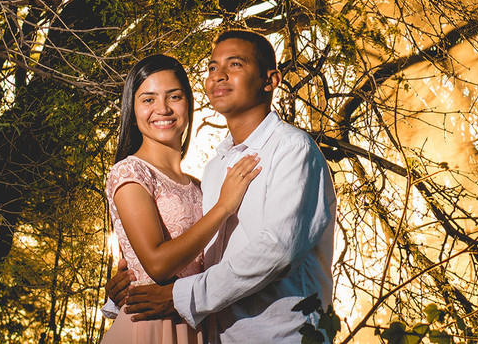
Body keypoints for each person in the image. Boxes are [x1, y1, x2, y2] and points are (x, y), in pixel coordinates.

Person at [114, 31, 337, 344]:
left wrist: (181, 296)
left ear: (270, 80)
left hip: (282, 336)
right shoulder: (216, 167)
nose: (219, 75)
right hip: (216, 336)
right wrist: (130, 284)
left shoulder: (292, 148)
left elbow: (278, 249)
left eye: (235, 65)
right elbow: (200, 254)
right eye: (212, 67)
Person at [102, 53, 262, 344]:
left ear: (188, 103)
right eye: (148, 99)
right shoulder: (129, 171)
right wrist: (224, 207)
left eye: (173, 96)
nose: (162, 109)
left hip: (197, 324)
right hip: (150, 328)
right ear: (132, 108)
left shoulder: (201, 186)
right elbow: (158, 265)